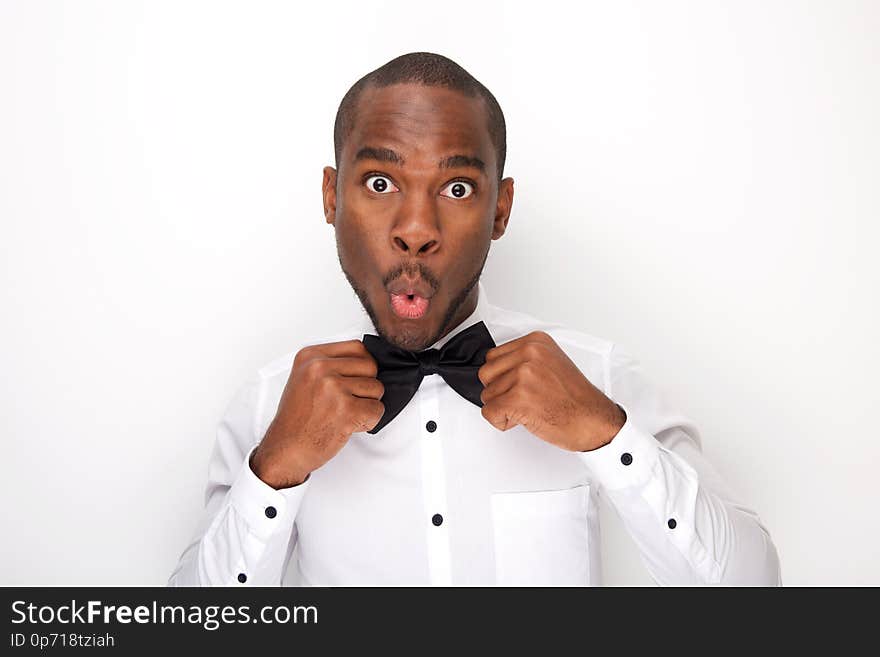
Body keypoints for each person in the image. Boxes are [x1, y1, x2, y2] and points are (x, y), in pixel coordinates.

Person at [168, 52, 781, 586]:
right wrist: (274, 470)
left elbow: (752, 590)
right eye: (380, 182)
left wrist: (606, 435)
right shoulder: (266, 406)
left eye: (456, 188)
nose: (415, 230)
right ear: (332, 198)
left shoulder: (599, 376)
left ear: (500, 209)